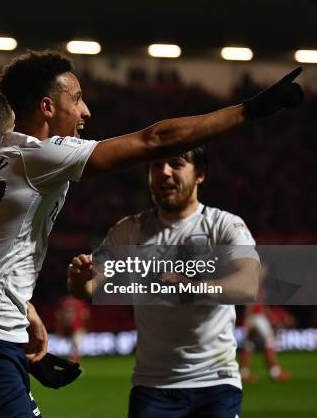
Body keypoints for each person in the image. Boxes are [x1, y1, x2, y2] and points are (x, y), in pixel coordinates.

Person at [0, 51, 303, 417]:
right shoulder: (40, 155)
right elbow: (154, 140)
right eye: (76, 99)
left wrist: (21, 312)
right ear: (47, 108)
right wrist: (249, 109)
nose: (86, 111)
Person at [68, 146, 262, 417]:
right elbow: (89, 288)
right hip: (152, 385)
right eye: (156, 166)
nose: (164, 173)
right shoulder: (129, 230)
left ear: (200, 175)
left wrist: (191, 287)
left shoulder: (225, 226)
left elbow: (248, 285)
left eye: (176, 164)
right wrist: (79, 279)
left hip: (216, 383)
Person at [240, 304, 292, 382]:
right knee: (269, 339)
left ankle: (243, 373)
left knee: (249, 343)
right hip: (257, 315)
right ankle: (275, 372)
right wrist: (248, 318)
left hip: (254, 315)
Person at [55, 294, 90, 362]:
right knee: (75, 345)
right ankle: (74, 361)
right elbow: (86, 315)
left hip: (74, 328)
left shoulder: (64, 301)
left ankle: (74, 361)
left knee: (75, 345)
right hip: (75, 328)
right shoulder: (79, 302)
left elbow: (58, 316)